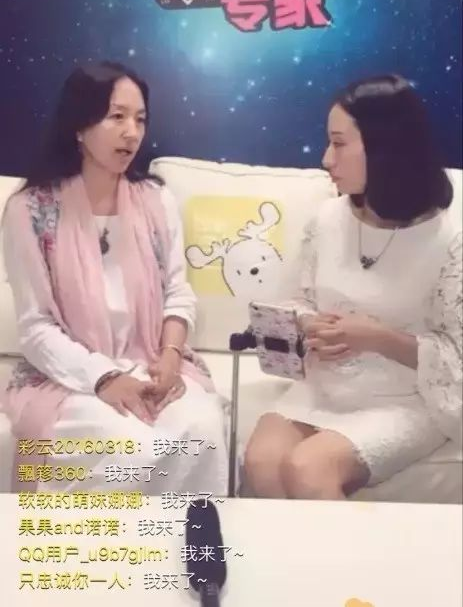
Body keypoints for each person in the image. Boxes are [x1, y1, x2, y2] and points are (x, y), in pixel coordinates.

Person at [1, 61, 229, 495]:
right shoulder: (30, 210)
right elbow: (35, 327)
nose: (132, 132)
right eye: (117, 117)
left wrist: (169, 357)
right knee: (132, 447)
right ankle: (101, 540)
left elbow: (178, 293)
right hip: (69, 378)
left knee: (201, 430)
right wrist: (105, 378)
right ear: (79, 126)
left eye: (140, 119)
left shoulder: (155, 200)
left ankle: (182, 537)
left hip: (151, 363)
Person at [244, 75, 462, 500]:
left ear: (384, 148)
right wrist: (309, 324)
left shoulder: (448, 240)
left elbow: (457, 354)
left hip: (405, 398)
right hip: (323, 387)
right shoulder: (327, 219)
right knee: (262, 460)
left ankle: (345, 550)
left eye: (339, 144)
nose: (326, 158)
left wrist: (376, 337)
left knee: (309, 468)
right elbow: (297, 300)